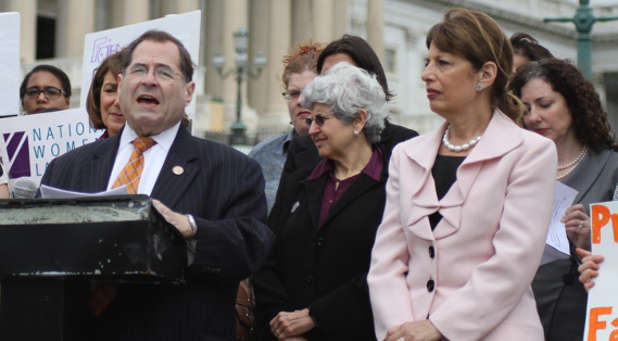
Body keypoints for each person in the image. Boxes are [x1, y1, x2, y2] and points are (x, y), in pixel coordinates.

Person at [40, 30, 274, 341]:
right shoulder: (67, 168)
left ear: (189, 91)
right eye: (139, 69)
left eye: (163, 72)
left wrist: (191, 228)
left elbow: (251, 247)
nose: (149, 80)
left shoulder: (232, 168)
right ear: (122, 84)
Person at [367, 8, 557, 341]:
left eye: (443, 63)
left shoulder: (530, 152)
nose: (426, 74)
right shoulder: (406, 155)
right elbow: (386, 261)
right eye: (427, 62)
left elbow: (513, 264)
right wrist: (401, 332)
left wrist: (439, 328)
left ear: (485, 74)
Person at [253, 62, 417, 341]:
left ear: (358, 120)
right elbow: (268, 252)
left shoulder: (393, 184)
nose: (312, 128)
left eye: (321, 119)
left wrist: (316, 316)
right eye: (310, 120)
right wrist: (281, 324)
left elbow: (391, 269)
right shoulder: (303, 177)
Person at [509, 58, 618, 340]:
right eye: (526, 108)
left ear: (573, 103)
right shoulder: (512, 169)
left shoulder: (612, 167)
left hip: (586, 316)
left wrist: (591, 238)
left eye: (545, 105)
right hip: (517, 315)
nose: (533, 117)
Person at [267, 34, 414, 232]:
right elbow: (278, 225)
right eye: (326, 77)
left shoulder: (404, 145)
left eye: (345, 74)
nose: (334, 85)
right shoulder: (304, 147)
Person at [249, 43, 322, 212]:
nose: (301, 101)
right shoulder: (260, 156)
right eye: (294, 93)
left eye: (311, 92)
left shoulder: (345, 157)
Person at [86, 50, 126, 138]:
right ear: (97, 97)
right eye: (110, 90)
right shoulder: (85, 152)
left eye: (127, 91)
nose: (118, 102)